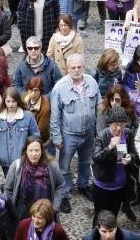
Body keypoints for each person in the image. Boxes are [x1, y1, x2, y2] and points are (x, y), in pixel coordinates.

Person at [49, 53, 100, 213]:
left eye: (79, 67)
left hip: (89, 132)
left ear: (83, 67)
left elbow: (99, 106)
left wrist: (99, 131)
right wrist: (56, 137)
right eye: (73, 68)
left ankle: (83, 185)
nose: (77, 70)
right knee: (64, 166)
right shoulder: (60, 87)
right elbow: (55, 115)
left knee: (85, 161)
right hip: (69, 134)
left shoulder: (92, 82)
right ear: (67, 69)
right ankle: (65, 193)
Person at [2, 135, 66, 222]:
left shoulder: (52, 166)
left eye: (36, 150)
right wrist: (12, 208)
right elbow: (8, 189)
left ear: (42, 151)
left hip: (44, 214)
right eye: (30, 150)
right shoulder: (16, 166)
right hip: (22, 215)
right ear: (26, 151)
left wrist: (54, 207)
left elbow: (60, 185)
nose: (34, 154)